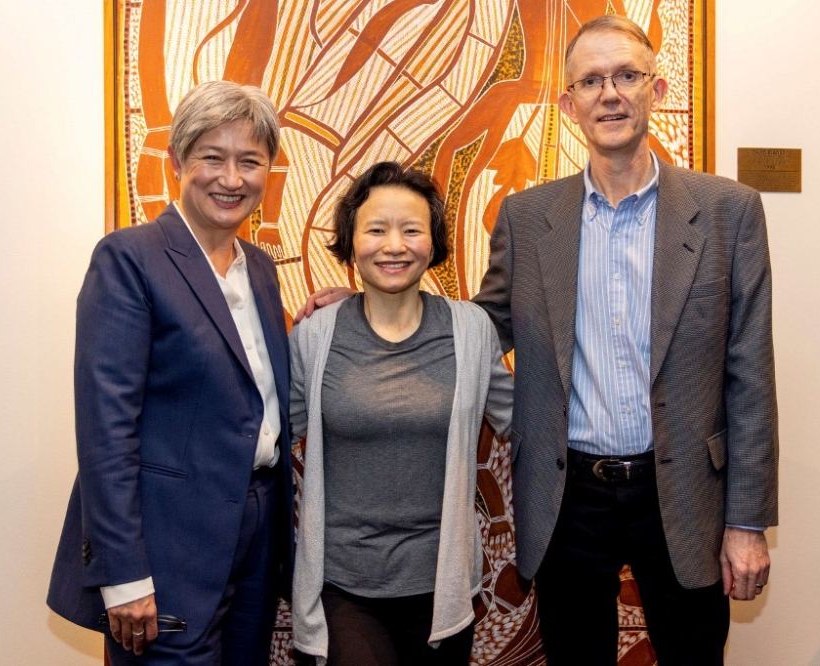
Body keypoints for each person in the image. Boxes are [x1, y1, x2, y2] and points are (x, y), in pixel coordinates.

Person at [299, 15, 778, 665]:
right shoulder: (528, 217)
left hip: (688, 495)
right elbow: (481, 324)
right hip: (568, 496)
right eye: (590, 81)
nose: (610, 93)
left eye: (627, 76)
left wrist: (747, 524)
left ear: (656, 89)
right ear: (569, 104)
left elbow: (750, 374)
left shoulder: (729, 211)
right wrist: (373, 307)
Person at [47, 80, 294, 666]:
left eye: (250, 162)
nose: (231, 179)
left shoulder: (258, 268)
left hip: (256, 530)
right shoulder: (130, 258)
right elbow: (106, 432)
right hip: (167, 544)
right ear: (178, 161)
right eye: (213, 157)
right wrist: (124, 575)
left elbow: (249, 389)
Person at [289, 162, 513, 666]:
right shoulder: (315, 336)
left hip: (443, 586)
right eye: (376, 229)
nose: (394, 245)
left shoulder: (472, 330)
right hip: (341, 583)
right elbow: (271, 438)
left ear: (432, 243)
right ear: (350, 242)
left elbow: (520, 421)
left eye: (411, 229)